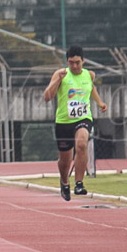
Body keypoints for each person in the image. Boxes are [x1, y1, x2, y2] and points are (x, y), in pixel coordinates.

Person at [43, 45, 108, 201]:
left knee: (81, 144)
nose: (74, 66)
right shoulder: (61, 74)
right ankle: (64, 182)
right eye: (71, 62)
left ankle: (79, 183)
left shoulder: (89, 75)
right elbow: (47, 97)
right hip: (64, 122)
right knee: (65, 160)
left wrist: (99, 102)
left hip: (83, 118)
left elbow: (90, 88)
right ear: (67, 61)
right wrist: (56, 81)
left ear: (83, 61)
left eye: (77, 62)